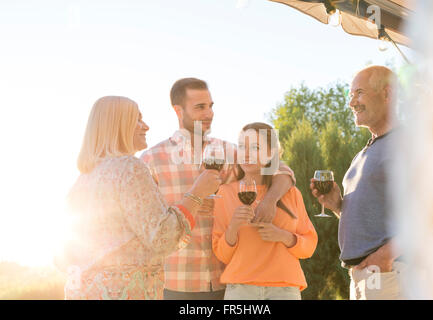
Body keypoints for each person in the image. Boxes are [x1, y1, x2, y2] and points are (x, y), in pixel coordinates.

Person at [140, 78, 296, 300]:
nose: (209, 114)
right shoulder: (152, 159)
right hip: (176, 281)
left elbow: (281, 170)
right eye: (200, 107)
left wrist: (270, 200)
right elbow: (149, 226)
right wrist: (192, 202)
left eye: (211, 106)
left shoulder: (230, 152)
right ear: (178, 110)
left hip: (229, 282)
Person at [57, 96, 220, 300]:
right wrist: (196, 195)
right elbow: (162, 237)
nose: (146, 126)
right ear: (118, 125)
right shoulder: (130, 167)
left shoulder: (84, 179)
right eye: (137, 119)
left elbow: (60, 257)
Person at [310, 66, 404, 300]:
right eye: (350, 95)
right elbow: (371, 219)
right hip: (367, 275)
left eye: (359, 93)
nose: (352, 103)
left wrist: (386, 257)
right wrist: (338, 206)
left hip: (387, 272)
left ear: (387, 93)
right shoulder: (366, 151)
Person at [212, 122, 317, 300]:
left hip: (284, 289)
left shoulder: (291, 194)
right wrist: (233, 227)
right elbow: (222, 254)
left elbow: (309, 246)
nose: (246, 153)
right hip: (241, 290)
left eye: (255, 147)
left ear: (271, 153)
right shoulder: (225, 192)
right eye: (242, 146)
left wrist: (283, 236)